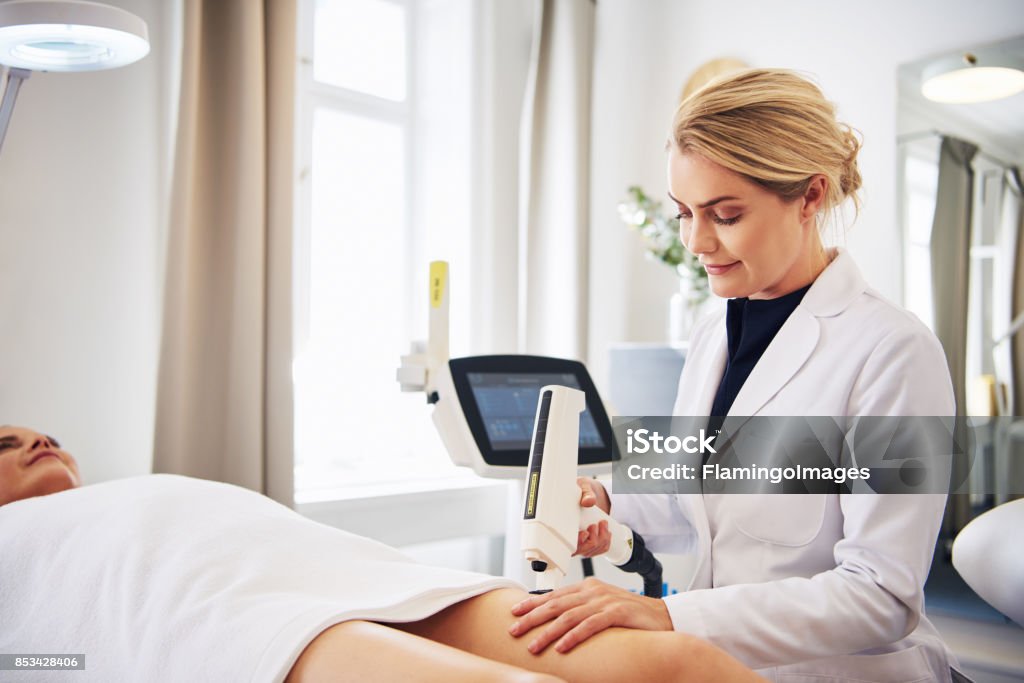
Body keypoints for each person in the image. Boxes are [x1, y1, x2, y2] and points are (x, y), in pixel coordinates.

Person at [507, 69, 964, 682]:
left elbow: (881, 594)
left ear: (810, 196)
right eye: (682, 213)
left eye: (724, 214)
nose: (696, 241)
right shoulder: (713, 330)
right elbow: (697, 492)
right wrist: (607, 499)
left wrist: (671, 618)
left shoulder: (895, 351)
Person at [0, 425, 762, 683]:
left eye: (41, 432)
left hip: (371, 576)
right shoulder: (26, 545)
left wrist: (599, 500)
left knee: (678, 663)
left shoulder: (125, 486)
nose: (38, 440)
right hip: (245, 618)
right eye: (6, 441)